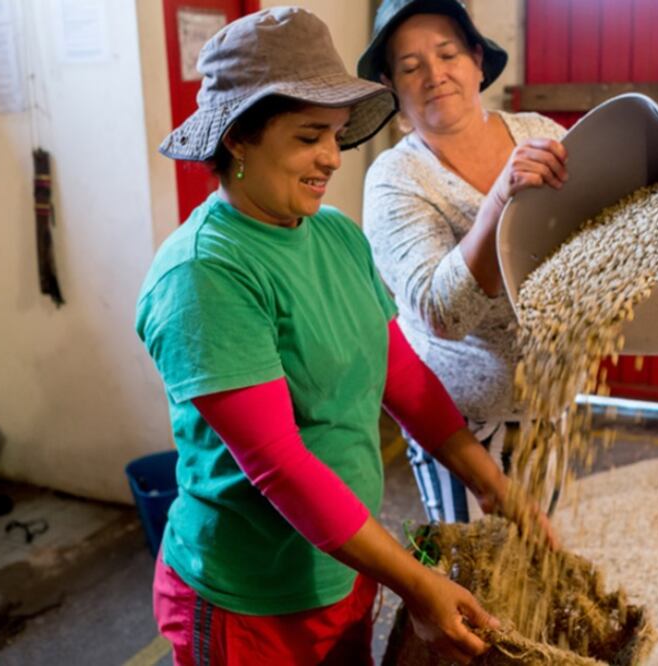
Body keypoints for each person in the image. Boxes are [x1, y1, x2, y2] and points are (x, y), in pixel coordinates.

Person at [136, 8, 550, 664]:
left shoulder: (333, 234)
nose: (332, 156)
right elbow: (280, 464)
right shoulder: (204, 273)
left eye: (333, 135)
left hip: (346, 566)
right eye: (308, 138)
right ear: (238, 139)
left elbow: (403, 378)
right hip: (254, 596)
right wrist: (416, 583)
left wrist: (497, 490)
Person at [358, 0, 569, 523]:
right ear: (392, 87)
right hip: (457, 422)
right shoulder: (396, 179)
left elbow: (594, 237)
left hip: (548, 406)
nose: (434, 75)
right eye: (410, 67)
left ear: (477, 60)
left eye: (448, 54)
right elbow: (443, 314)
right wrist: (499, 200)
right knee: (467, 579)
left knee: (537, 565)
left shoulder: (539, 134)